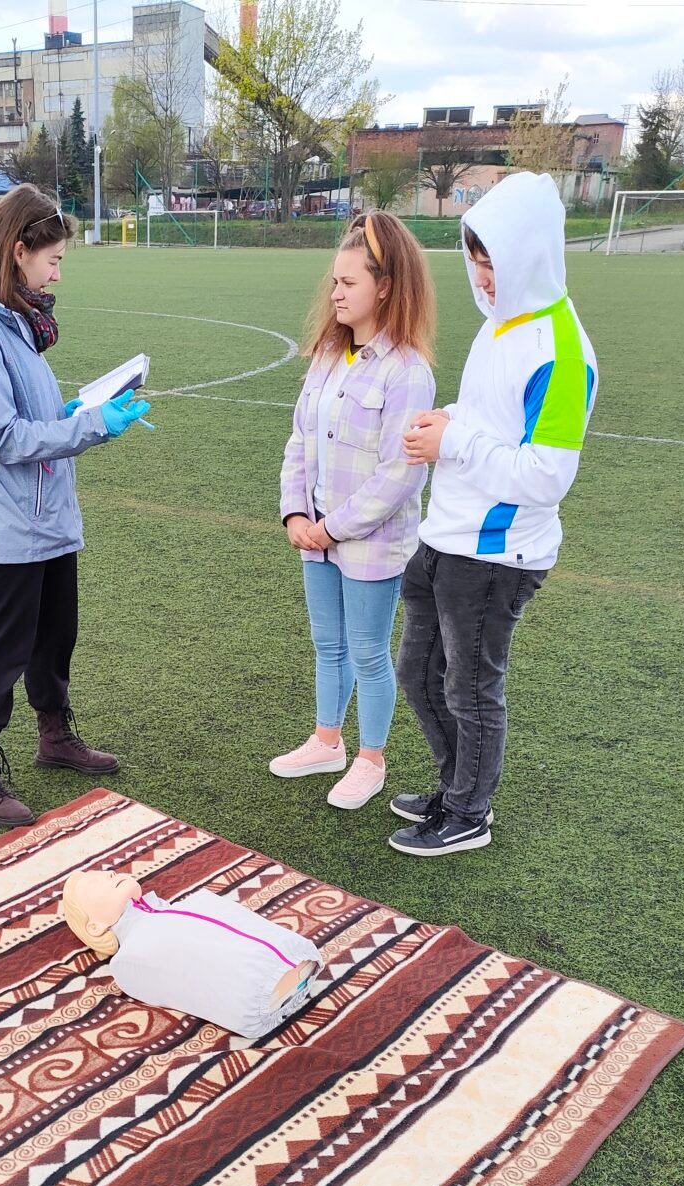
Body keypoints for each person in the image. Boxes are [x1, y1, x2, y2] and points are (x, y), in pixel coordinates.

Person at [0, 184, 151, 829]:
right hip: (5, 518)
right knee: (3, 643)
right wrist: (92, 426)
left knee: (56, 632)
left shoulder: (11, 315)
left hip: (44, 511)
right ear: (18, 250)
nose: (57, 274)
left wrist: (72, 411)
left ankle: (54, 735)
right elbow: (0, 436)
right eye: (52, 260)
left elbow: (27, 414)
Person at [396, 171, 598, 857]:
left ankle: (468, 814)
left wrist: (452, 440)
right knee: (418, 674)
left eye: (493, 263)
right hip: (446, 536)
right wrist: (448, 419)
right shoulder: (502, 324)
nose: (481, 277)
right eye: (476, 260)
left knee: (471, 689)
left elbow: (546, 475)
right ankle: (456, 788)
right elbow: (492, 418)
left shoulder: (560, 353)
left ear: (530, 256)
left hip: (494, 553)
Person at [272, 211, 436, 810]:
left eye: (349, 283)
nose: (336, 293)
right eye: (334, 282)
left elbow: (400, 474)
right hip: (316, 534)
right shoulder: (327, 356)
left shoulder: (407, 372)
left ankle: (371, 759)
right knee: (328, 645)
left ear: (385, 287)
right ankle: (327, 742)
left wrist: (331, 529)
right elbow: (299, 441)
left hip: (369, 542)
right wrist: (296, 514)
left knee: (368, 652)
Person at [62, 870, 321, 1039]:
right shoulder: (130, 959)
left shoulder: (183, 907)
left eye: (106, 872)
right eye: (95, 882)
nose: (108, 873)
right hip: (262, 996)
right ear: (94, 926)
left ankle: (286, 980)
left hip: (293, 965)